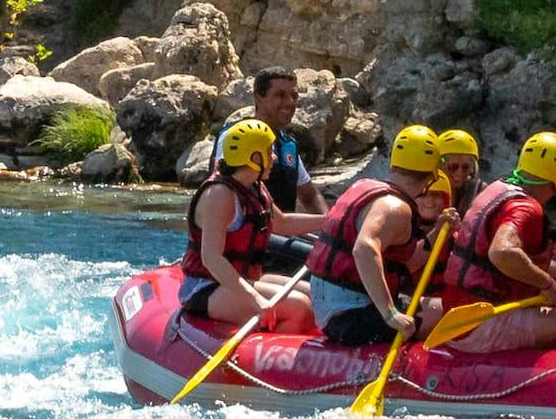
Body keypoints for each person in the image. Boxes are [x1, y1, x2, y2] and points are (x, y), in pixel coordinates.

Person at [429, 128, 556, 358]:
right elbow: (503, 254)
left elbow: (525, 265)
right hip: (485, 323)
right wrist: (549, 286)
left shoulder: (496, 189)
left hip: (463, 316)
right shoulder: (525, 208)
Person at [307, 124, 456, 351]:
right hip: (350, 318)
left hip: (336, 311)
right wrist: (391, 314)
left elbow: (405, 263)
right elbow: (364, 248)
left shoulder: (365, 186)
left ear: (394, 163)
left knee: (444, 309)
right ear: (433, 175)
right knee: (452, 319)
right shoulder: (397, 208)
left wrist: (439, 231)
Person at [185, 117, 301, 329]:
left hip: (238, 280)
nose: (274, 157)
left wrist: (332, 220)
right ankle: (267, 357)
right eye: (268, 152)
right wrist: (256, 299)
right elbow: (211, 258)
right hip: (205, 287)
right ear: (254, 157)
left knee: (310, 295)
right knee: (299, 308)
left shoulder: (254, 187)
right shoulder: (220, 195)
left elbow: (283, 223)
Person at [205, 70, 314, 210]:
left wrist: (331, 224)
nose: (290, 102)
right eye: (280, 95)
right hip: (245, 228)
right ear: (258, 98)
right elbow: (222, 186)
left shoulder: (288, 145)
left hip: (280, 228)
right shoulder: (236, 136)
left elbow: (310, 197)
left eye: (294, 96)